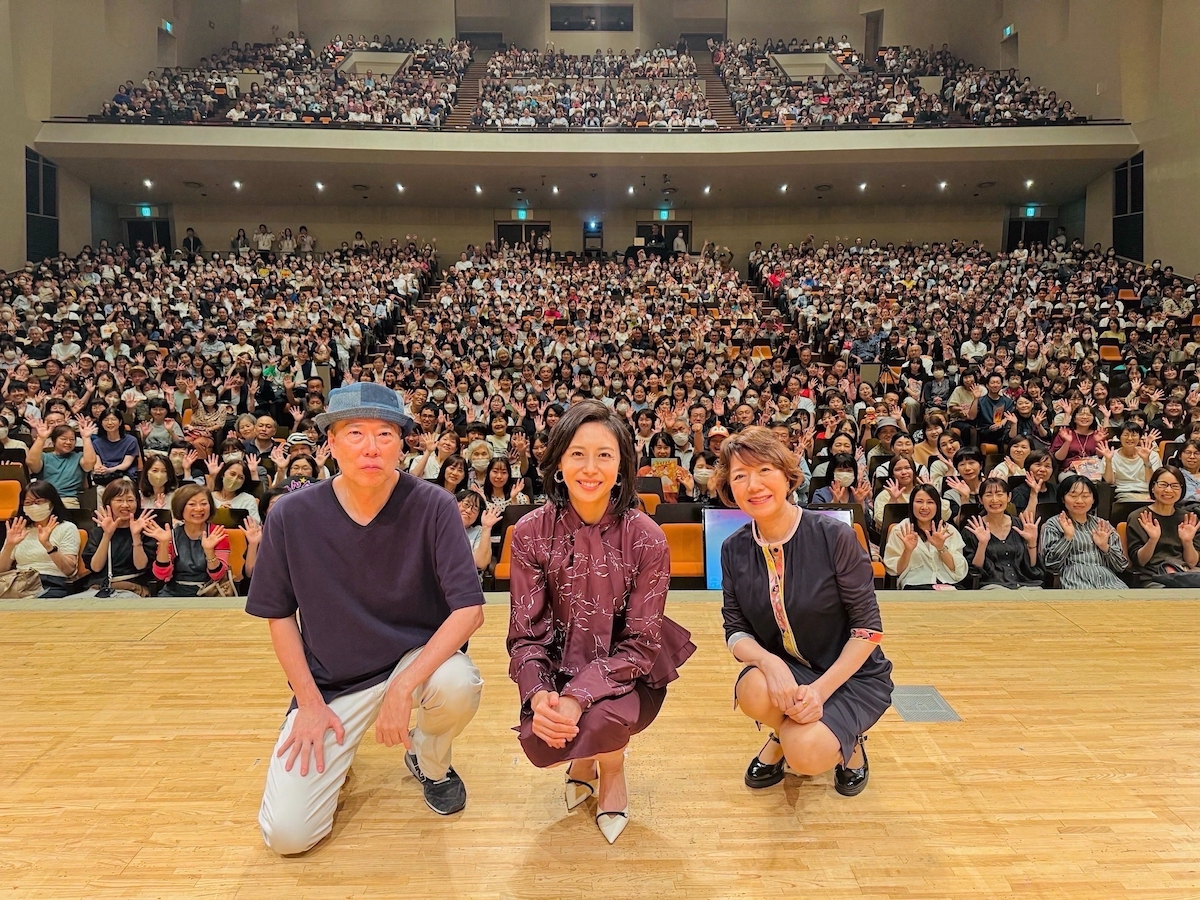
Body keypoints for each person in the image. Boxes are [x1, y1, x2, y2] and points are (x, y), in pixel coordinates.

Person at [247, 382, 486, 855]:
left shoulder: (434, 505)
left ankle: (430, 761)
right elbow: (278, 616)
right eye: (355, 433)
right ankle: (329, 743)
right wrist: (309, 703)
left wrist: (401, 687)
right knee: (288, 837)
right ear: (331, 443)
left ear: (403, 443)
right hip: (333, 680)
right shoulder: (291, 514)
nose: (371, 447)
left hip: (414, 664)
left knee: (459, 684)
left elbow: (469, 610)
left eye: (385, 433)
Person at [507, 400, 695, 844]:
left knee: (602, 718)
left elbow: (641, 645)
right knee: (543, 738)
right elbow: (524, 635)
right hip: (556, 667)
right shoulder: (531, 532)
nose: (590, 468)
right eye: (577, 453)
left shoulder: (647, 536)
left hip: (628, 672)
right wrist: (542, 697)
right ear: (557, 463)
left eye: (604, 455)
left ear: (622, 466)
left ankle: (611, 770)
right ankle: (582, 757)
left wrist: (577, 696)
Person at [713, 426, 891, 799]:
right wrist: (770, 663)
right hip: (792, 668)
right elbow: (735, 628)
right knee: (753, 688)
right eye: (740, 476)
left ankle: (849, 740)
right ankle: (786, 732)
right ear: (730, 489)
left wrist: (820, 692)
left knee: (807, 754)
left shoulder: (833, 535)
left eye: (765, 470)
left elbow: (867, 630)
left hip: (849, 674)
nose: (754, 484)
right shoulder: (733, 548)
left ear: (787, 475)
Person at [1039, 475, 1128, 589]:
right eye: (1073, 495)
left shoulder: (1102, 525)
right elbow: (1050, 564)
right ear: (1063, 498)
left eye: (1085, 496)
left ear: (1093, 499)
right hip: (1075, 581)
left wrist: (1105, 547)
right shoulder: (1054, 524)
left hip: (1109, 581)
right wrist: (1067, 537)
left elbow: (1121, 566)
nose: (1080, 501)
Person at [142, 484, 232, 596]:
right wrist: (164, 544)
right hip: (174, 591)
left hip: (209, 591)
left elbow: (217, 576)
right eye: (192, 504)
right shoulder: (171, 535)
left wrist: (209, 552)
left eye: (204, 503)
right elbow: (161, 575)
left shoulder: (217, 533)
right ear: (180, 507)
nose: (199, 509)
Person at [0, 482, 81, 597]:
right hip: (18, 581)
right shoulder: (19, 529)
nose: (33, 506)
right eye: (28, 503)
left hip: (50, 583)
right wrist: (9, 545)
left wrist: (47, 545)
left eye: (39, 502)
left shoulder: (67, 528)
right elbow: (1, 570)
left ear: (51, 503)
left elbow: (69, 570)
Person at [961, 478, 1044, 589]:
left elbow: (1032, 566)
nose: (995, 500)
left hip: (1024, 583)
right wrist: (982, 544)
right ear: (980, 499)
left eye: (1000, 494)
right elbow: (974, 571)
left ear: (1008, 497)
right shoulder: (973, 528)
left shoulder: (1021, 525)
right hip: (992, 586)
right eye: (989, 495)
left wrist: (1032, 543)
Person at [1125, 466, 1200, 587]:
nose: (1169, 490)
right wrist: (1152, 540)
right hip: (1153, 577)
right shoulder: (1139, 517)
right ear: (1153, 488)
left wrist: (1187, 542)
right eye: (1163, 485)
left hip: (1184, 575)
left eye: (1175, 486)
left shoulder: (1188, 519)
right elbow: (1141, 562)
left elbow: (1192, 563)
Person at [883, 484, 968, 589]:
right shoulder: (900, 530)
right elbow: (895, 571)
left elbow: (958, 570)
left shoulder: (949, 530)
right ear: (911, 504)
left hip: (948, 584)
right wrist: (907, 551)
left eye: (930, 502)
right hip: (916, 585)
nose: (924, 507)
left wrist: (941, 548)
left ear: (937, 506)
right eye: (919, 502)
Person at [84, 478, 155, 593]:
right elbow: (96, 567)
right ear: (109, 503)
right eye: (119, 500)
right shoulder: (97, 532)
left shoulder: (145, 530)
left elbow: (141, 566)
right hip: (101, 588)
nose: (125, 505)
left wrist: (136, 536)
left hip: (133, 588)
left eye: (130, 500)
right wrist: (107, 535)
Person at [26, 419, 98, 508]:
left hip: (68, 499)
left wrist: (86, 438)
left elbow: (89, 464)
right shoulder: (45, 457)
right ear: (54, 441)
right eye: (63, 439)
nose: (68, 442)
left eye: (72, 439)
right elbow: (31, 463)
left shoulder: (79, 457)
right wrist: (41, 438)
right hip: (43, 499)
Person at [1100, 422, 1162, 502]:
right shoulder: (1110, 455)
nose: (1129, 438)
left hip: (1147, 493)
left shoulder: (1152, 455)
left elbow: (1151, 481)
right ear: (1119, 437)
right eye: (1126, 435)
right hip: (1122, 493)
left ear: (1140, 437)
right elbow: (1110, 481)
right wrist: (1108, 461)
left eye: (1134, 435)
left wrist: (1146, 461)